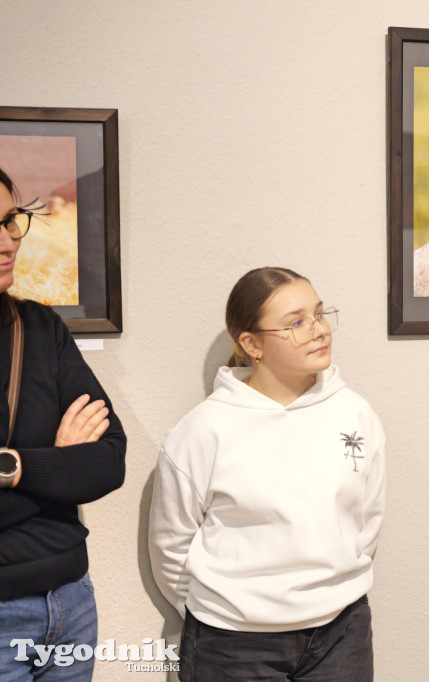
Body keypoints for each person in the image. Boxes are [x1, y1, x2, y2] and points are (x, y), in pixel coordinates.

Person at [148, 267, 385, 681]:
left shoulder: (355, 413)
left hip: (341, 632)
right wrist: (226, 607)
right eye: (296, 322)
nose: (318, 330)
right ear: (251, 344)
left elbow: (367, 520)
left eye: (319, 313)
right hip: (232, 644)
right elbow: (171, 544)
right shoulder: (203, 429)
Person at [0, 167, 127, 681]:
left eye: (10, 220)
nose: (8, 239)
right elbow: (76, 470)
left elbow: (107, 460)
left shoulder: (40, 326)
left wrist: (11, 467)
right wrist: (56, 466)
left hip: (71, 605)